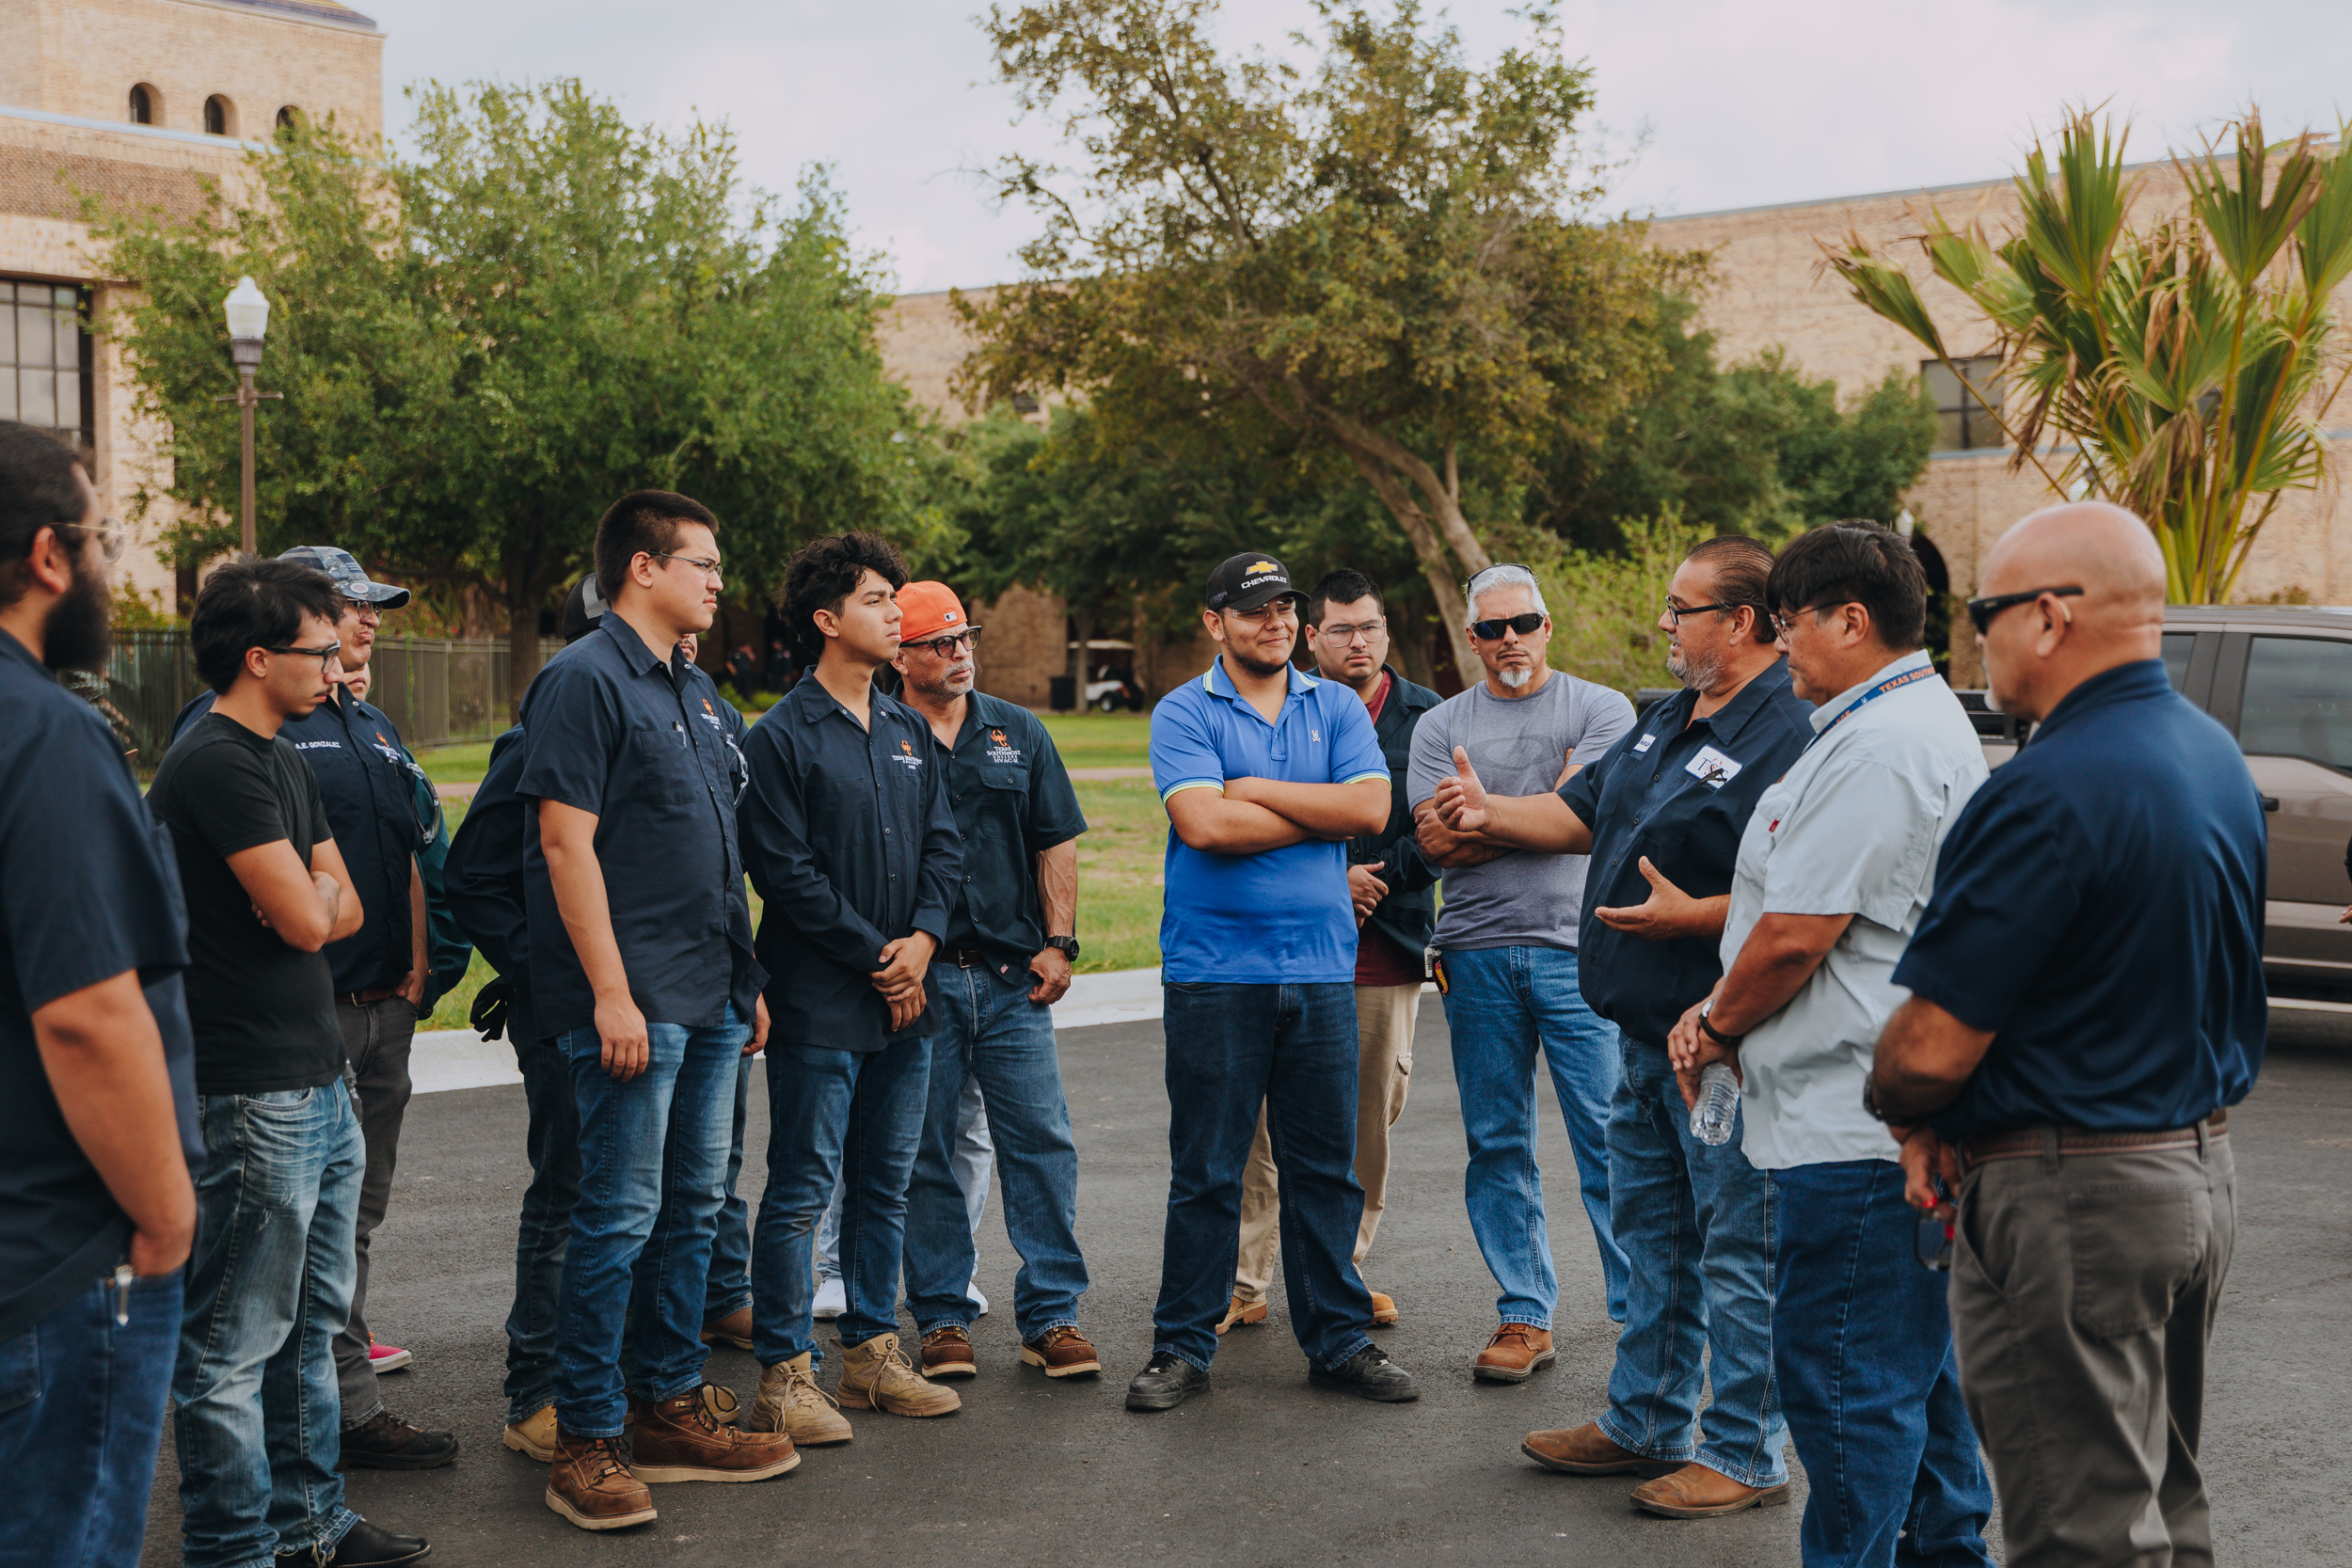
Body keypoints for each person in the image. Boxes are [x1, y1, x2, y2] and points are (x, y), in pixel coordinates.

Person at [1867, 501, 2265, 1568]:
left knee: (2080, 1533)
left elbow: (1930, 1045)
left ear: (2046, 617)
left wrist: (1908, 1107)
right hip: (2193, 1171)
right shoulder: (2212, 755)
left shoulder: (2045, 789)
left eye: (1982, 613)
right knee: (2163, 1507)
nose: (1974, 638)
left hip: (2074, 1195)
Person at [1434, 535, 1810, 1519]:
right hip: (1642, 1039)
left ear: (1741, 620)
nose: (1664, 624)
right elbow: (1577, 814)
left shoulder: (1793, 732)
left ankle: (1744, 1449)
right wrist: (1488, 810)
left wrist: (1697, 918)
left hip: (1725, 1042)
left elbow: (1813, 901)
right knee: (1657, 1237)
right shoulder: (1665, 717)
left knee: (1735, 1247)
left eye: (1681, 609)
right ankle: (1644, 1417)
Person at [1664, 523, 1993, 1568]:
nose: (1781, 642)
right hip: (1870, 1118)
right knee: (1911, 1373)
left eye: (1793, 621)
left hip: (1852, 1128)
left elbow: (1799, 932)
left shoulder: (1883, 742)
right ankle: (1947, 1549)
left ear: (1850, 618)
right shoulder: (1884, 722)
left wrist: (1713, 1024)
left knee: (1846, 1387)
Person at [516, 492, 792, 1531]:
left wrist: (746, 977)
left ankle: (669, 1405)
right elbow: (562, 844)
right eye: (704, 564)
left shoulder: (696, 688)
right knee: (619, 1214)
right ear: (642, 566)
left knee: (691, 1211)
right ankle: (585, 1437)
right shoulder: (583, 680)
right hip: (631, 1003)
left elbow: (716, 847)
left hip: (712, 993)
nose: (719, 582)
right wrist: (611, 991)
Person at [149, 558, 430, 1568]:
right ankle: (231, 1545)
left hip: (315, 1077)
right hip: (249, 1086)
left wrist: (314, 896)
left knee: (309, 1323)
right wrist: (313, 896)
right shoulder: (215, 759)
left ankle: (310, 1525)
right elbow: (313, 918)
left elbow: (339, 902)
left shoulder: (282, 756)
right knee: (234, 1340)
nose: (337, 663)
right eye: (318, 648)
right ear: (260, 657)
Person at [1128, 550, 1414, 1413]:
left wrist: (1252, 786)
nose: (1277, 622)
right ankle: (1182, 1346)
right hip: (1217, 973)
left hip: (1324, 969)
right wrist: (1305, 801)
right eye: (1254, 611)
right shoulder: (1184, 709)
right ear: (1216, 622)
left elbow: (1370, 811)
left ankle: (1337, 1339)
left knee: (1325, 1169)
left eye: (1286, 608)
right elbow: (1204, 824)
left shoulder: (1333, 704)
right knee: (1209, 1169)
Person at [0, 426, 197, 1567]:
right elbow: (86, 1010)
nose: (111, 570)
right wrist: (166, 1221)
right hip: (57, 1265)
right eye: (102, 538)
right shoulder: (49, 734)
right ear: (47, 557)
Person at [739, 533, 964, 1445]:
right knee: (800, 1187)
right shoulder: (778, 736)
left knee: (887, 1182)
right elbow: (783, 873)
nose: (895, 613)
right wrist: (881, 955)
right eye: (878, 599)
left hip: (908, 999)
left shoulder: (909, 728)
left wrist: (922, 941)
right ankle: (785, 1373)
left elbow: (943, 847)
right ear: (827, 620)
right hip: (819, 1000)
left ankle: (872, 1351)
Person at [1406, 563, 1635, 1379]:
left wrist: (1491, 811)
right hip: (1473, 953)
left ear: (1547, 625)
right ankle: (1523, 1314)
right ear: (1471, 638)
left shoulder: (1602, 708)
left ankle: (1642, 1310)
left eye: (1525, 622)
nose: (1512, 639)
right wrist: (1548, 805)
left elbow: (1591, 819)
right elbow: (1435, 844)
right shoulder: (1439, 725)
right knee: (1497, 1141)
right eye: (1494, 627)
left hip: (1578, 952)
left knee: (1611, 1138)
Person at [887, 581, 1100, 1383]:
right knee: (927, 1150)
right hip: (925, 980)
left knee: (1042, 1144)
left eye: (965, 638)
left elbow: (1057, 842)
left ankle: (1053, 1316)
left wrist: (1060, 943)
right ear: (899, 655)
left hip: (1013, 979)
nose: (959, 653)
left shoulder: (1019, 731)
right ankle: (942, 1315)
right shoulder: (884, 734)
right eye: (939, 644)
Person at [1225, 568, 1440, 1335]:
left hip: (1382, 944)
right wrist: (1327, 877)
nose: (1359, 642)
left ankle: (1339, 1273)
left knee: (1365, 1122)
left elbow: (1440, 826)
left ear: (1388, 632)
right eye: (1342, 630)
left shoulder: (1429, 718)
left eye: (1372, 628)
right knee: (1253, 1122)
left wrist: (1375, 880)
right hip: (1276, 944)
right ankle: (1246, 1281)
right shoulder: (1276, 706)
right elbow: (1230, 806)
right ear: (1313, 637)